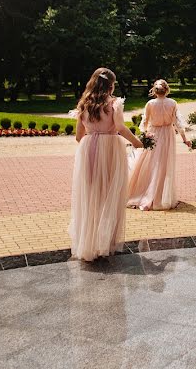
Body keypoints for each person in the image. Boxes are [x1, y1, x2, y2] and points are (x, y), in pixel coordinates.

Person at [69, 67, 143, 261]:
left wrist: (93, 137)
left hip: (88, 149)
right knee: (110, 195)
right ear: (111, 85)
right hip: (110, 149)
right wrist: (137, 142)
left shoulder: (84, 103)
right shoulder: (114, 103)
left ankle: (89, 243)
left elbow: (78, 136)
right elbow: (119, 127)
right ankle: (105, 243)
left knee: (91, 196)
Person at [127, 79, 191, 210]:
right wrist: (185, 139)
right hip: (167, 135)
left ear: (154, 91)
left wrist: (144, 136)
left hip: (153, 135)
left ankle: (147, 193)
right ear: (167, 90)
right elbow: (177, 123)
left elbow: (144, 122)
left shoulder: (150, 103)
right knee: (164, 164)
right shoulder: (172, 103)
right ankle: (161, 195)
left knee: (151, 164)